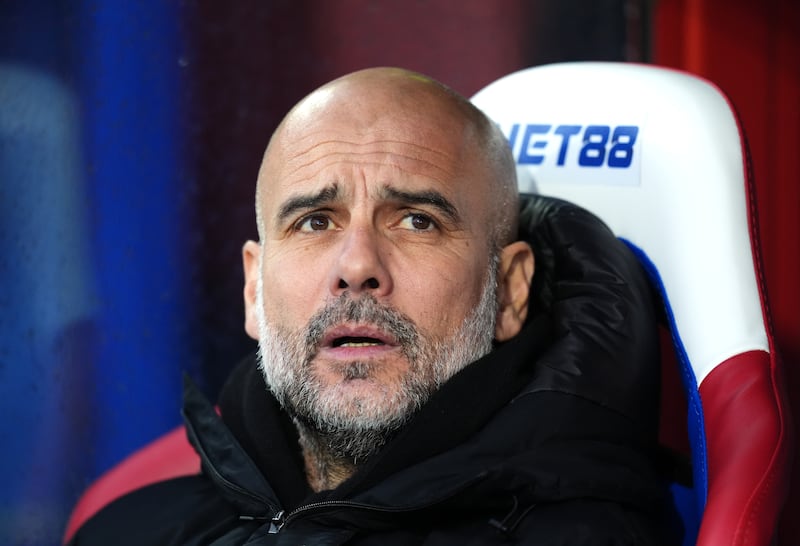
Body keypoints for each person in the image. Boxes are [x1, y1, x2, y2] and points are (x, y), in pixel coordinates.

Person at [69, 67, 666, 545]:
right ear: (254, 289)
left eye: (416, 221)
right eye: (315, 221)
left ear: (509, 290)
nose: (357, 266)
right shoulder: (122, 528)